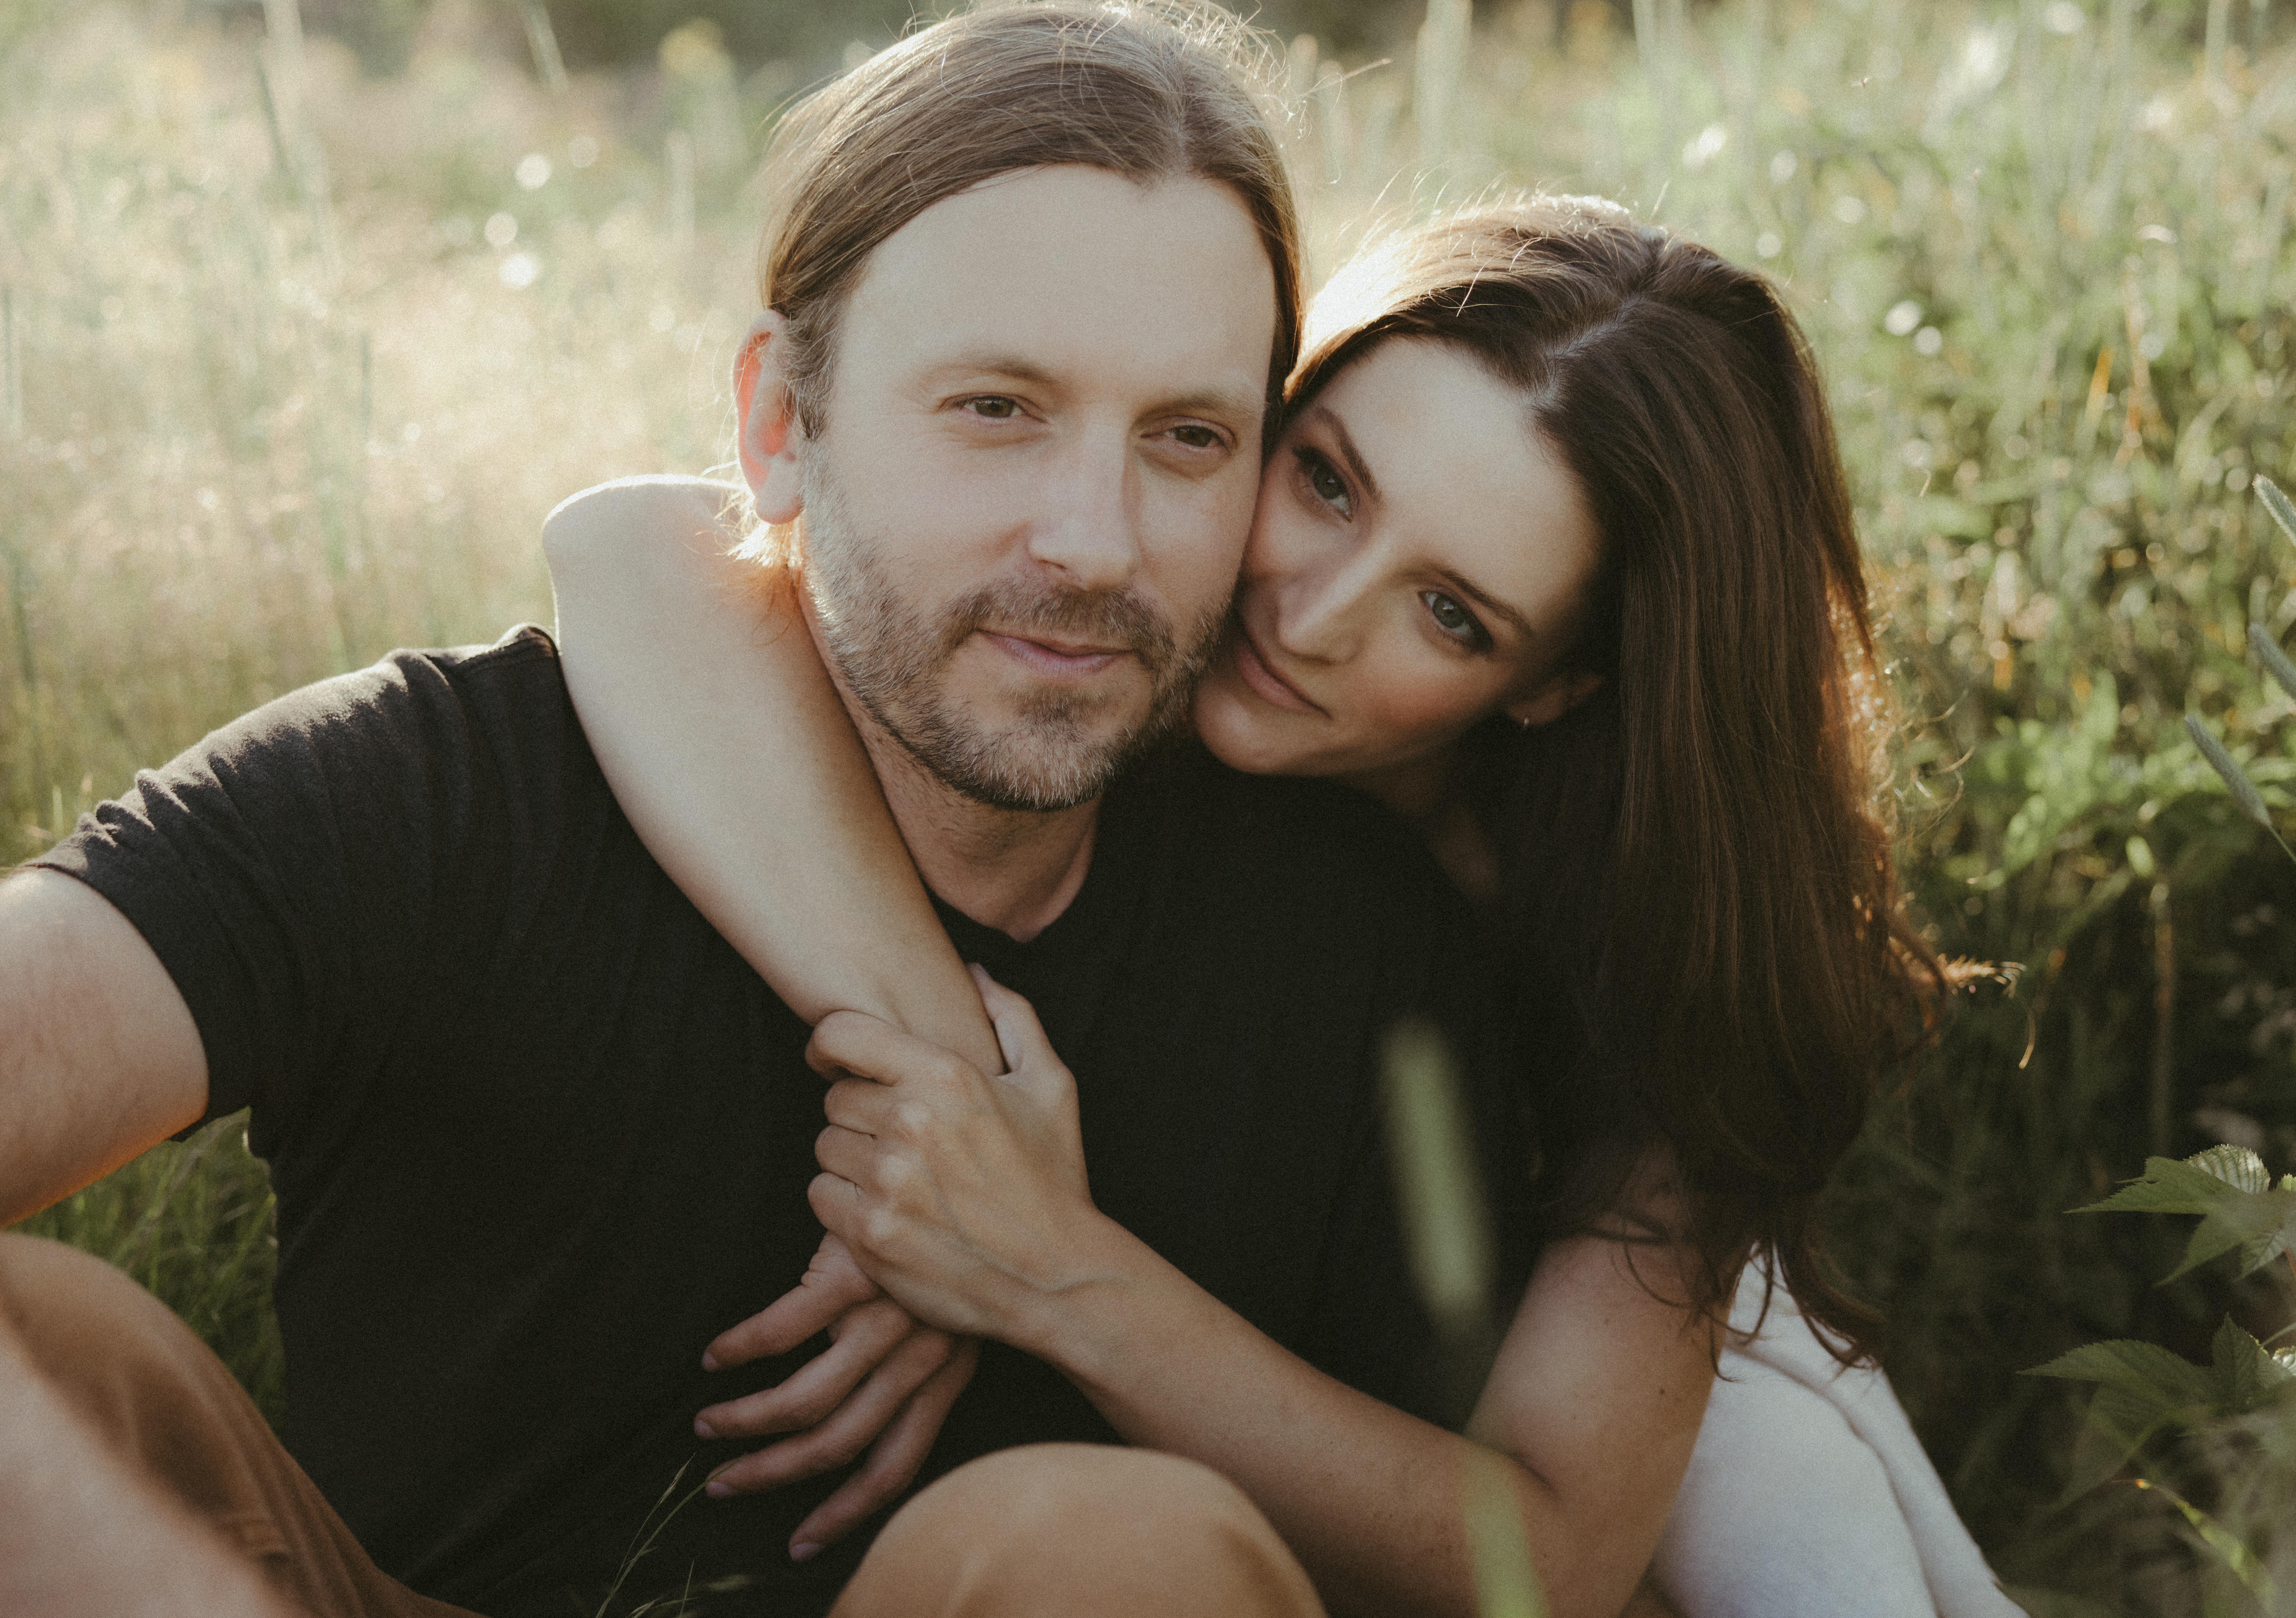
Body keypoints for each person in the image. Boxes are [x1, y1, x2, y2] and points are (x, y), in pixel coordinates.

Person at [0, 7, 1565, 1617]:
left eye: (1189, 437)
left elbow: (1514, 1569)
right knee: (52, 1345)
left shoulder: (1345, 946)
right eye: (996, 409)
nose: (1094, 541)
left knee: (1111, 1550)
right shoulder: (438, 792)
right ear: (778, 421)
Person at [542, 196, 2028, 1617]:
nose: (1306, 616)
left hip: (1627, 1384)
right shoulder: (1096, 613)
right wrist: (957, 1073)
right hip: (1280, 1419)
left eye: (1450, 614)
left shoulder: (1637, 942)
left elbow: (1551, 1559)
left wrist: (1047, 1267)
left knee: (1798, 1518)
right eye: (1324, 481)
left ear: (1561, 684)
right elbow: (628, 549)